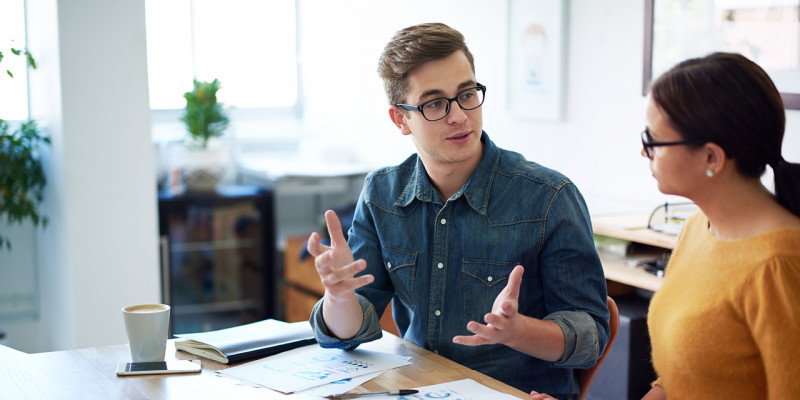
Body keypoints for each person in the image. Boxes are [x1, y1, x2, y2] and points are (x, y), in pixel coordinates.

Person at [305, 22, 609, 398]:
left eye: (467, 94)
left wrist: (518, 331)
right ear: (401, 119)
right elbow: (350, 334)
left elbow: (591, 336)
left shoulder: (549, 197)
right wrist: (338, 298)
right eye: (435, 103)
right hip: (415, 389)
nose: (459, 116)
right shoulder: (382, 193)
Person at [531, 52, 800, 400]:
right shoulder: (696, 229)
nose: (645, 153)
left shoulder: (780, 266)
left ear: (711, 158)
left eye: (653, 141)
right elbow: (676, 384)